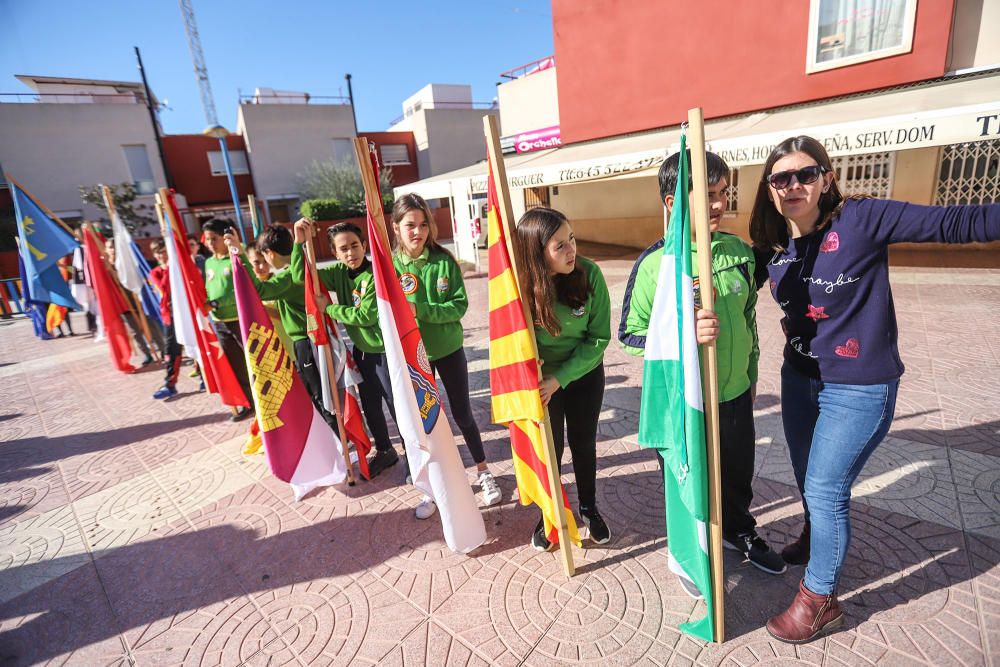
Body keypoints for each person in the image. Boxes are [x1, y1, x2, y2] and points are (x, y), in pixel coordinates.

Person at [746, 135, 1000, 643]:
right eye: (782, 178)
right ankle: (820, 538)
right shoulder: (772, 246)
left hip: (859, 385)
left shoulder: (861, 219)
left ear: (827, 178)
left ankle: (819, 601)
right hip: (800, 380)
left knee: (825, 486)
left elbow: (956, 223)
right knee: (807, 476)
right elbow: (727, 284)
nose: (794, 185)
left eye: (805, 174)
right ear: (770, 189)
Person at [619, 150, 785, 591]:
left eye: (722, 193)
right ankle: (689, 553)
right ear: (673, 202)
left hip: (732, 394)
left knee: (736, 472)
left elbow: (748, 317)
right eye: (706, 195)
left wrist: (750, 374)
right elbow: (631, 335)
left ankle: (737, 532)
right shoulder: (657, 265)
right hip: (684, 402)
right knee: (689, 483)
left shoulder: (738, 253)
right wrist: (683, 332)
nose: (717, 204)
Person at [391, 194, 502, 516]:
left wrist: (420, 309)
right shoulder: (389, 267)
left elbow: (458, 306)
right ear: (395, 227)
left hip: (448, 350)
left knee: (463, 414)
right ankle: (432, 486)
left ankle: (484, 472)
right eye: (410, 225)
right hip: (413, 357)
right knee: (423, 422)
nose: (417, 232)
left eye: (423, 224)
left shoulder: (443, 261)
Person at [514, 206, 612, 549]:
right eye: (559, 245)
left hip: (582, 374)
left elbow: (598, 339)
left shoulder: (590, 274)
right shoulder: (520, 286)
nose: (571, 250)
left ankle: (588, 507)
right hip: (541, 384)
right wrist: (527, 361)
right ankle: (550, 516)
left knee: (583, 444)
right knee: (549, 452)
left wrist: (561, 378)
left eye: (571, 239)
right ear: (537, 253)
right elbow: (509, 336)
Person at [290, 220, 401, 479]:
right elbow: (301, 278)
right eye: (344, 249)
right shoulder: (338, 273)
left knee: (395, 406)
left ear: (364, 245)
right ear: (335, 253)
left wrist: (328, 309)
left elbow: (366, 316)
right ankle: (385, 451)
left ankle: (414, 454)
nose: (351, 253)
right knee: (371, 407)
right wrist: (298, 241)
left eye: (355, 246)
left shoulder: (374, 275)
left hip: (385, 353)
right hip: (361, 353)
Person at [201, 219, 254, 421]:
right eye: (207, 239)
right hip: (220, 322)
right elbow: (208, 287)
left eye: (214, 238)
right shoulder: (209, 262)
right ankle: (248, 403)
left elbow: (244, 284)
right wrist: (207, 303)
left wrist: (218, 303)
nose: (210, 243)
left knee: (252, 363)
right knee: (236, 364)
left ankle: (264, 402)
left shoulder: (234, 258)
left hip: (240, 319)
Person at [148, 239, 182, 399]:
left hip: (184, 312)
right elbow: (164, 287)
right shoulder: (155, 272)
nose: (161, 255)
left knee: (196, 346)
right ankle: (170, 384)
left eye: (163, 251)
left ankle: (204, 378)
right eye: (157, 252)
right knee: (171, 350)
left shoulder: (177, 267)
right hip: (170, 315)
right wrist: (170, 267)